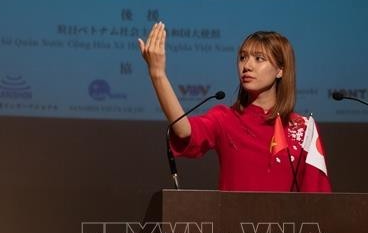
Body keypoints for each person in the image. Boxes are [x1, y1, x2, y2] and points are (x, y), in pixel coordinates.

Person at [138, 21, 331, 193]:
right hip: (234, 231)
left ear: (281, 70)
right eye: (242, 57)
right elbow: (183, 131)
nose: (247, 66)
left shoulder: (304, 128)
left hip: (287, 232)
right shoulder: (225, 118)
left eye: (259, 58)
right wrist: (158, 74)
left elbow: (318, 202)